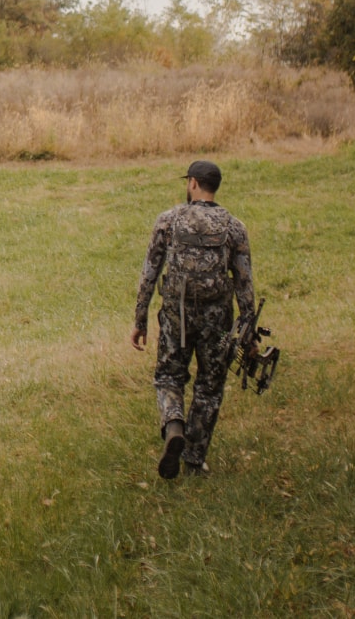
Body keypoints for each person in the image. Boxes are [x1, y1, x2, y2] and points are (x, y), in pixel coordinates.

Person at [130, 159, 257, 479]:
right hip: (217, 318)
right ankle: (194, 459)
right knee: (210, 387)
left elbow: (149, 272)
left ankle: (174, 425)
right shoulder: (233, 226)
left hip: (176, 314)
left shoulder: (168, 220)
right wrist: (249, 329)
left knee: (169, 376)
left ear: (193, 184)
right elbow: (244, 282)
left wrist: (140, 319)